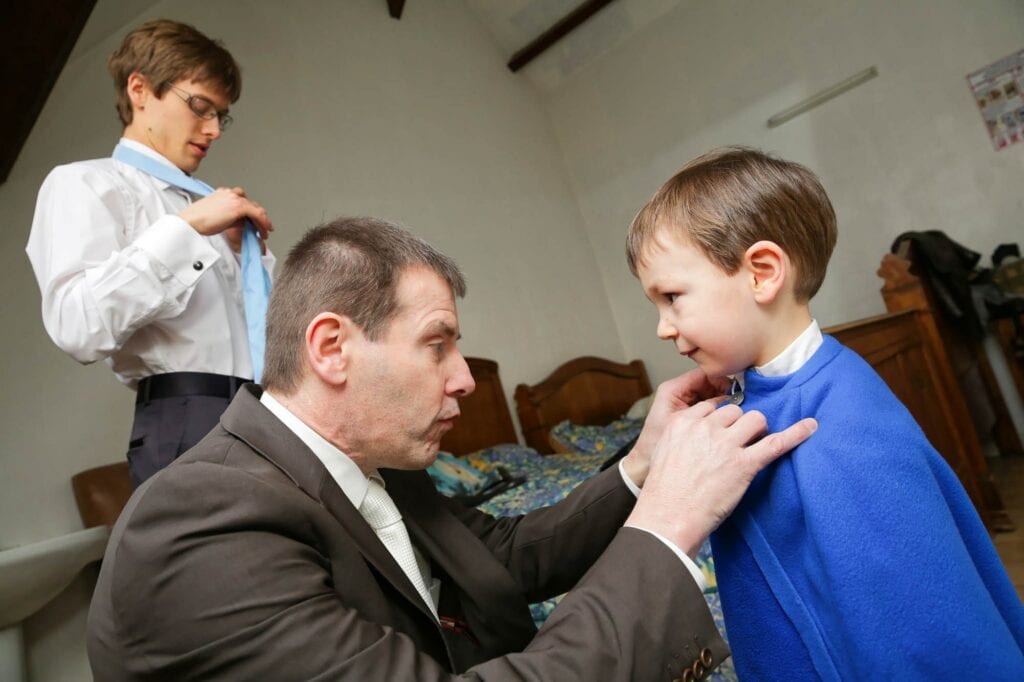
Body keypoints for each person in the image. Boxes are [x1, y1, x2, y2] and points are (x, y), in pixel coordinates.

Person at [87, 216, 817, 680]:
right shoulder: (199, 521)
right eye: (437, 345)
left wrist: (642, 464)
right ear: (332, 348)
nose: (466, 379)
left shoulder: (378, 467)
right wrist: (666, 528)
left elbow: (503, 557)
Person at [626, 147, 1024, 679]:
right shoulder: (760, 392)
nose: (663, 327)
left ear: (763, 274)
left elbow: (913, 633)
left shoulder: (843, 432)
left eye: (673, 297)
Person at [25, 19, 274, 487]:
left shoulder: (208, 209)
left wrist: (248, 260)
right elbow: (76, 326)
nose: (214, 129)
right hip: (189, 422)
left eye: (222, 115)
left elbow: (253, 336)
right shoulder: (84, 184)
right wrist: (186, 230)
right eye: (201, 107)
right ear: (139, 89)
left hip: (267, 416)